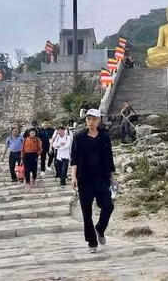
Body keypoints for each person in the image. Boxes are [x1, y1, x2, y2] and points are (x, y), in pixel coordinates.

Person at [70, 108, 115, 253]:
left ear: (99, 120)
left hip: (102, 177)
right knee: (86, 212)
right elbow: (74, 158)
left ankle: (100, 228)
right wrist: (73, 176)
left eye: (94, 119)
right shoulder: (79, 137)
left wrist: (112, 176)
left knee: (108, 206)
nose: (91, 122)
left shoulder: (104, 137)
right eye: (88, 119)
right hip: (85, 179)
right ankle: (92, 242)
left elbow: (109, 157)